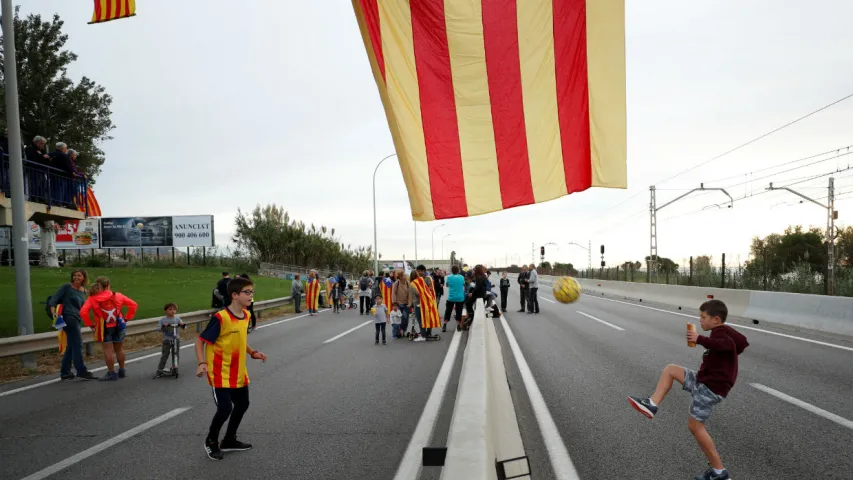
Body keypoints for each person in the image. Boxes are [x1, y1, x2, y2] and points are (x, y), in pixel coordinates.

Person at [627, 300, 749, 480]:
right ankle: (652, 404)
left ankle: (719, 472)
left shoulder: (720, 333)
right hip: (703, 380)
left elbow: (729, 346)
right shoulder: (723, 330)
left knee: (695, 427)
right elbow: (742, 342)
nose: (700, 320)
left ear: (716, 319)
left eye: (703, 317)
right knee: (671, 370)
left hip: (710, 388)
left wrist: (699, 339)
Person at [196, 276, 268, 461]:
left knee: (243, 405)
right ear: (234, 295)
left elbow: (241, 340)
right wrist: (201, 362)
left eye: (252, 292)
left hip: (238, 372)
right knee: (225, 408)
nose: (251, 295)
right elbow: (200, 340)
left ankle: (228, 440)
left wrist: (252, 353)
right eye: (247, 292)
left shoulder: (247, 315)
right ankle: (211, 441)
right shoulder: (221, 318)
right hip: (220, 373)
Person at [80, 276, 138, 381]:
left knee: (108, 350)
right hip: (119, 325)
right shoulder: (118, 296)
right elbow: (133, 305)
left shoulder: (92, 299)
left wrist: (90, 324)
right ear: (108, 285)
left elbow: (83, 312)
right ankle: (122, 370)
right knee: (119, 349)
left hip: (104, 328)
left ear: (97, 286)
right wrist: (127, 318)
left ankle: (111, 373)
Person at [49, 269, 97, 380]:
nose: (76, 277)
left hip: (77, 319)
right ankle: (81, 370)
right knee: (78, 344)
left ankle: (65, 372)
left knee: (71, 346)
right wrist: (54, 314)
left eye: (79, 275)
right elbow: (53, 300)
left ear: (84, 277)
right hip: (67, 318)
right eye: (74, 275)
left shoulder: (84, 291)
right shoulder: (67, 287)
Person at [411, 265, 441, 340]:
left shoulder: (427, 278)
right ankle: (424, 333)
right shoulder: (416, 281)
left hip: (427, 302)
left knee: (428, 318)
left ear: (424, 271)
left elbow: (431, 288)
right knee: (421, 320)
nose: (419, 272)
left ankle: (427, 333)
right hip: (418, 302)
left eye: (420, 271)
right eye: (418, 271)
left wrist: (423, 290)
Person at [156, 303, 186, 376]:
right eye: (170, 309)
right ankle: (160, 370)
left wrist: (183, 325)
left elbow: (184, 327)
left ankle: (175, 368)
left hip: (176, 340)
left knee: (176, 354)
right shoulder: (163, 320)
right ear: (165, 311)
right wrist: (163, 326)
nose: (172, 311)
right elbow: (158, 329)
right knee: (165, 355)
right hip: (167, 340)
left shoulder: (177, 318)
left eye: (174, 309)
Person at [442, 265, 465, 333]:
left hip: (451, 297)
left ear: (452, 270)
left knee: (448, 311)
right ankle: (458, 325)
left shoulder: (449, 277)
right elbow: (463, 284)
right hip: (460, 297)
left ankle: (445, 325)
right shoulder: (462, 277)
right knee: (459, 311)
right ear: (458, 270)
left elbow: (447, 285)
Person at [392, 270, 411, 338]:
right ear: (400, 277)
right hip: (399, 303)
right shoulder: (396, 283)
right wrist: (394, 303)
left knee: (406, 318)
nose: (405, 276)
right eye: (404, 275)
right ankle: (399, 330)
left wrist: (410, 303)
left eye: (405, 275)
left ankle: (404, 330)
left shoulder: (408, 283)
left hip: (406, 303)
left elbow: (410, 294)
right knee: (400, 318)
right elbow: (393, 293)